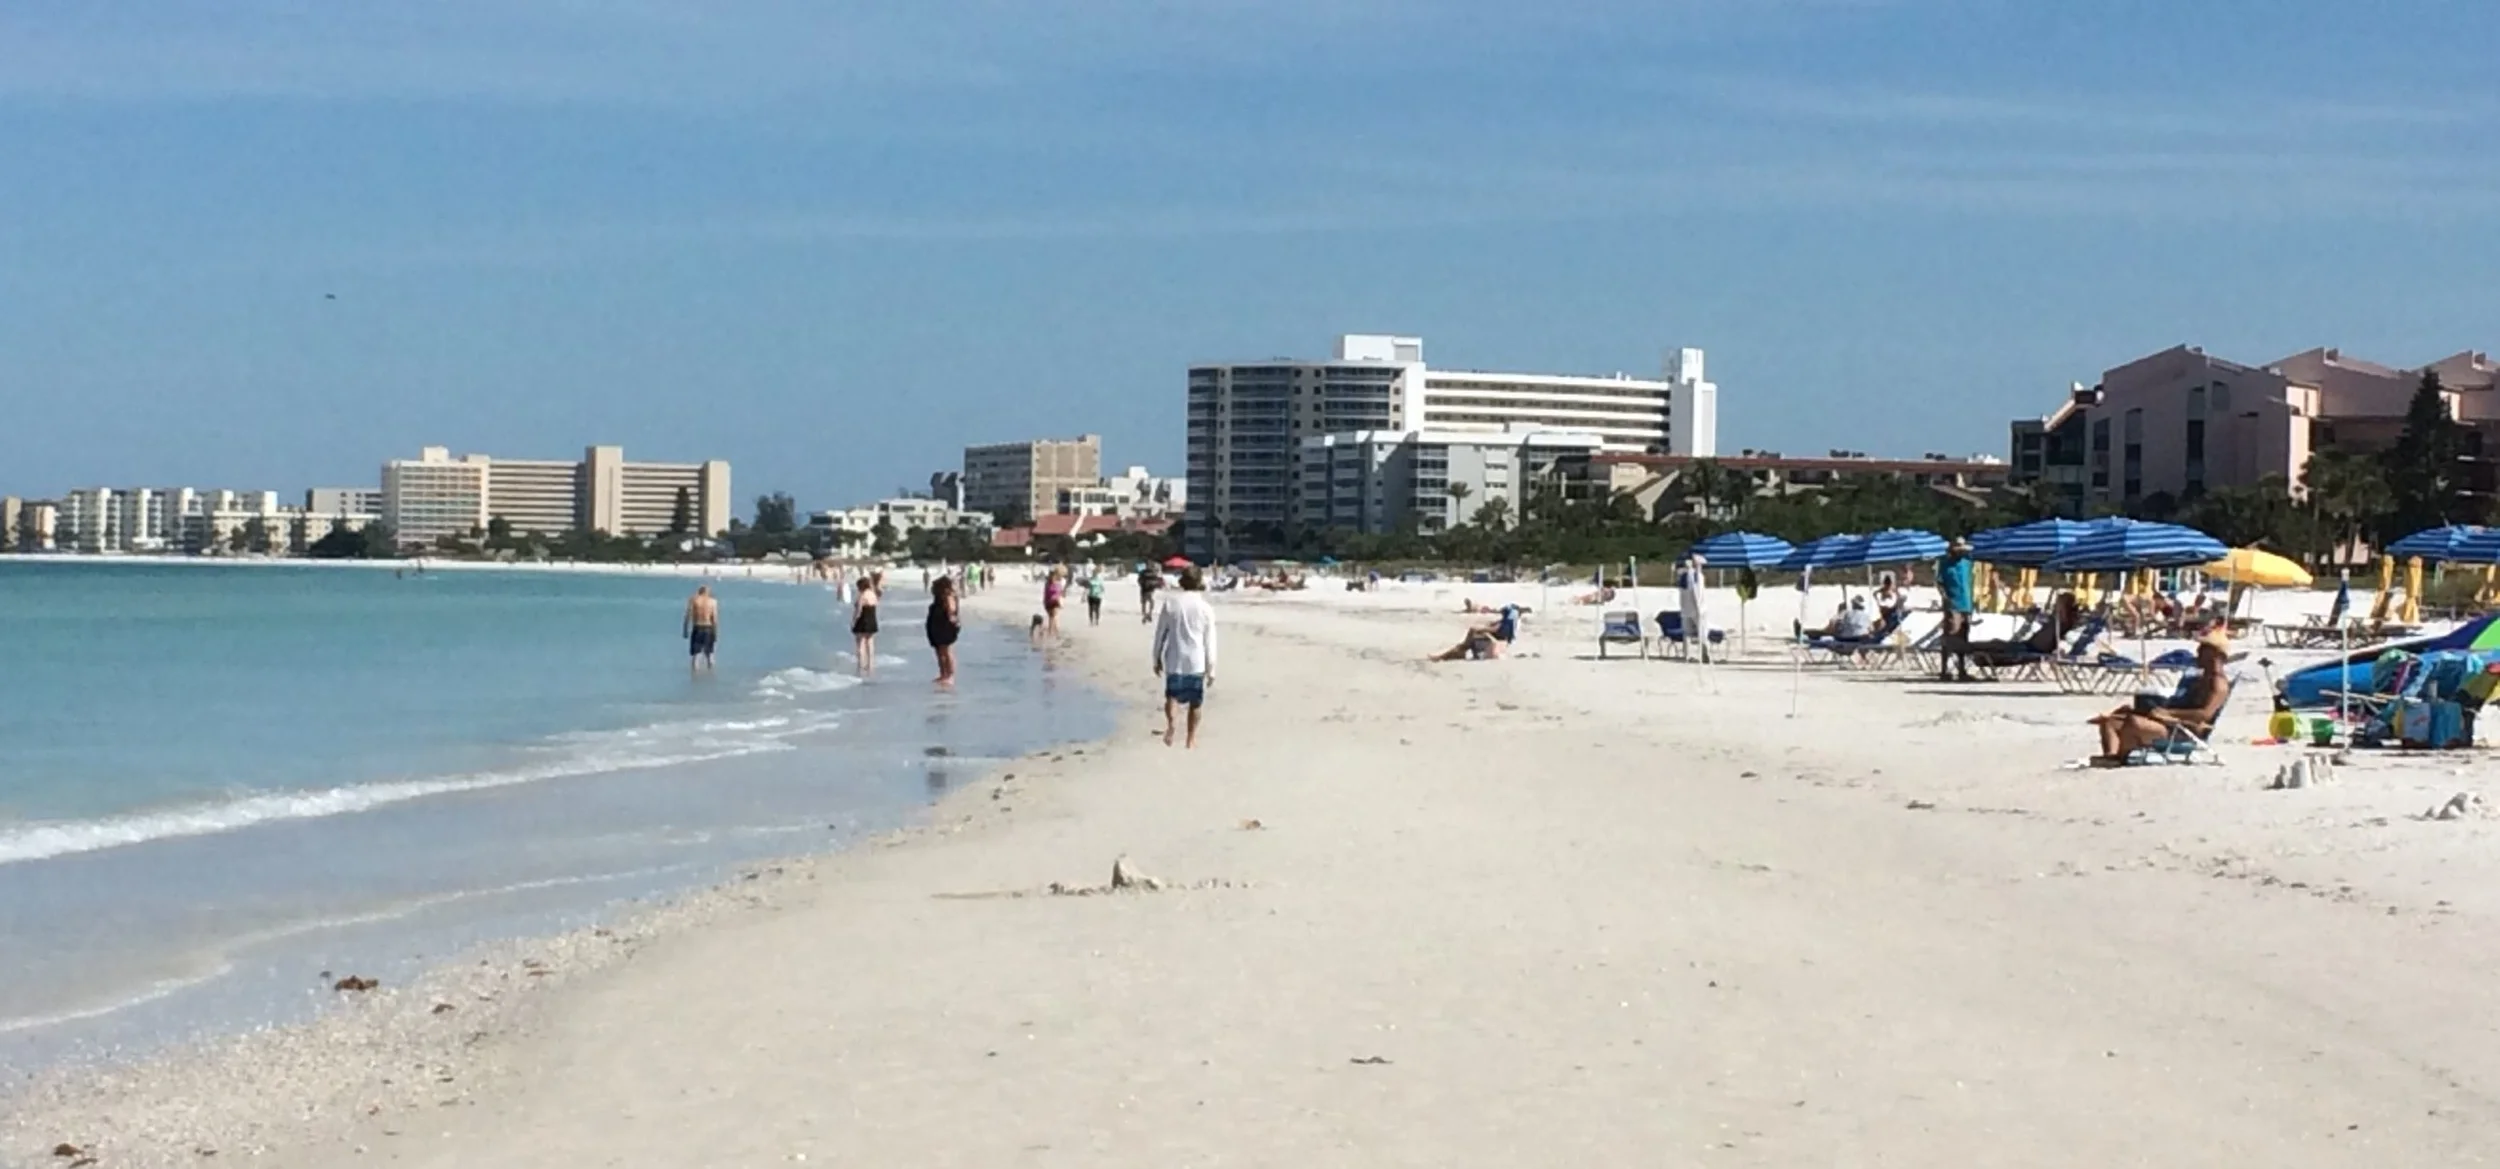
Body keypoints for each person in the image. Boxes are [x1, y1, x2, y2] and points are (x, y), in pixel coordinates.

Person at [2087, 631, 2232, 765]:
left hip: (2184, 731)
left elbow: (2205, 714)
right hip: (2170, 723)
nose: (2198, 652)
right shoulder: (2200, 678)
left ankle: (2120, 758)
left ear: (2215, 654)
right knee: (2111, 721)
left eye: (2203, 649)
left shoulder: (2218, 684)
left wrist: (2168, 713)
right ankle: (2111, 757)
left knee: (2134, 722)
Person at [1151, 567, 1219, 748]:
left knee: (1171, 697)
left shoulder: (1171, 604)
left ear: (1182, 582)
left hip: (1174, 658)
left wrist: (1156, 656)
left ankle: (1172, 724)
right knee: (1195, 703)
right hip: (1196, 661)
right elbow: (1209, 640)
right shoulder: (1205, 608)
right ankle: (1191, 738)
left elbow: (1160, 633)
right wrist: (1211, 668)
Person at [1937, 537, 1977, 683]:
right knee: (1950, 635)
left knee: (1963, 636)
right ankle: (1944, 670)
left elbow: (1971, 583)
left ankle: (1961, 670)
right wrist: (1945, 598)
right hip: (1953, 604)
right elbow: (1940, 583)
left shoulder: (1967, 564)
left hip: (1966, 604)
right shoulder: (1945, 564)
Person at [1432, 603, 1519, 661]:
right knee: (1470, 637)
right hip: (1497, 639)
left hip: (1494, 640)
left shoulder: (1505, 623)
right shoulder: (1511, 623)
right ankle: (1459, 650)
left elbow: (1495, 630)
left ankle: (1454, 652)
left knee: (1471, 634)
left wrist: (1482, 629)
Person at [926, 575, 961, 686]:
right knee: (940, 651)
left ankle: (950, 675)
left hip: (944, 625)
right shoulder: (939, 597)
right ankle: (943, 674)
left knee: (946, 651)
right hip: (936, 625)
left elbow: (951, 610)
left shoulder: (948, 596)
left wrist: (952, 618)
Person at [1677, 553, 1712, 664]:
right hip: (1696, 609)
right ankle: (1699, 654)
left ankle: (1689, 655)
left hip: (1688, 609)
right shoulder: (1695, 576)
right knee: (1701, 632)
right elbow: (1697, 592)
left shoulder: (1686, 576)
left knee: (1688, 633)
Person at [851, 571, 882, 678]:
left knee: (860, 643)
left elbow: (858, 611)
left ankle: (861, 665)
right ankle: (870, 665)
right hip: (872, 620)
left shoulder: (862, 596)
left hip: (863, 620)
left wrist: (853, 621)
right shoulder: (873, 595)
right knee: (870, 643)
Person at [683, 585, 719, 673]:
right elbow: (715, 619)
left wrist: (685, 629)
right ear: (708, 592)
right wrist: (716, 633)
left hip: (697, 627)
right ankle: (711, 675)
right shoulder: (713, 602)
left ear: (699, 592)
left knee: (696, 656)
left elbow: (688, 616)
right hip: (709, 628)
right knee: (710, 655)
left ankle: (694, 677)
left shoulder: (694, 600)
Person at [1042, 570, 1066, 639]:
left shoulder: (1058, 584)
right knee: (1051, 617)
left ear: (1055, 577)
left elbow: (1061, 593)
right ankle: (1052, 631)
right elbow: (1045, 593)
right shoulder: (1047, 584)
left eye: (1053, 576)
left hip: (1056, 602)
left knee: (1054, 616)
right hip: (1049, 602)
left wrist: (1061, 601)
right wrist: (1044, 602)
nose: (1052, 578)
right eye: (1051, 576)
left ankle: (1054, 632)